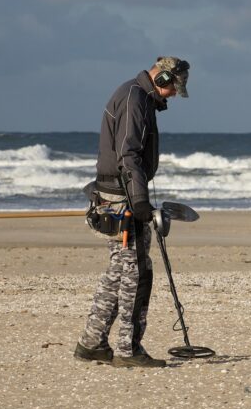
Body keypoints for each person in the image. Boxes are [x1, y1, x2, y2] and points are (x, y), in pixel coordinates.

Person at [74, 56, 190, 368]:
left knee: (120, 269)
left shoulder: (136, 96)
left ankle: (91, 342)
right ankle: (128, 350)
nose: (174, 94)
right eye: (174, 88)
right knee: (136, 272)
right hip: (121, 199)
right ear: (161, 78)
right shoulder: (134, 99)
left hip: (116, 195)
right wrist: (139, 202)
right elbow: (129, 154)